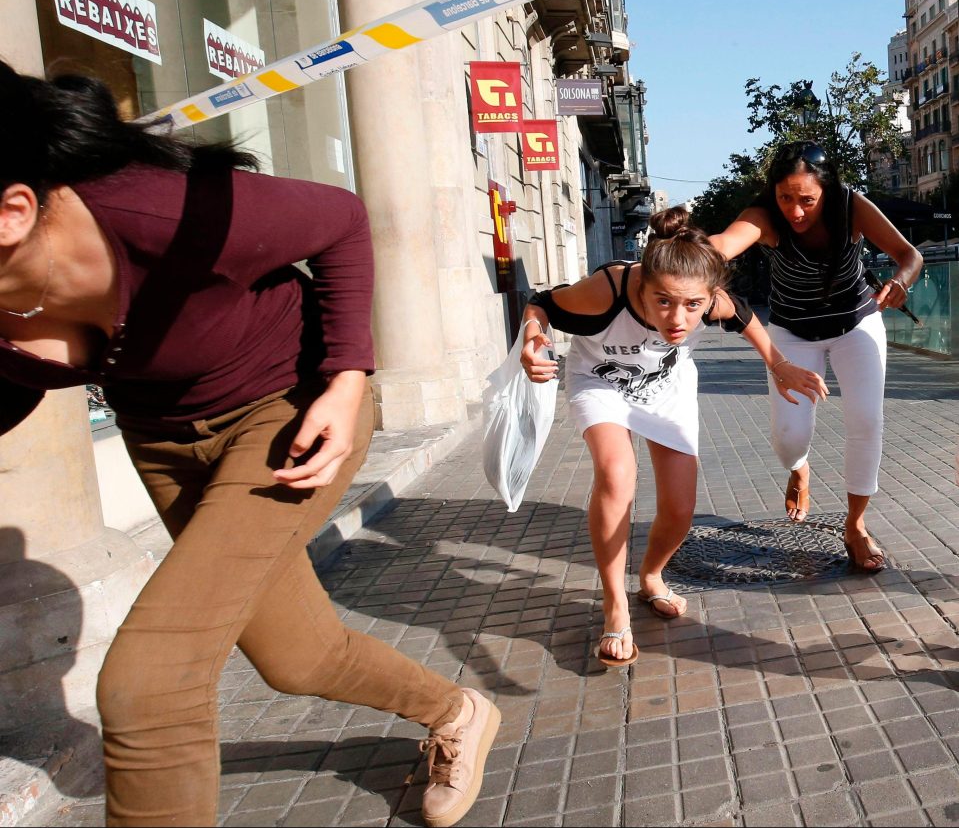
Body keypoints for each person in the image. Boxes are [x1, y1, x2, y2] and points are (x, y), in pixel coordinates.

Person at [0, 60, 498, 828]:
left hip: (288, 412)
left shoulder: (161, 213)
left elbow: (339, 218)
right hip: (162, 441)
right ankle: (457, 710)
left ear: (12, 211)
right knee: (295, 655)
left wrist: (346, 377)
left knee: (147, 683)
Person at [520, 208, 827, 666]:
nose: (678, 319)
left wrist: (778, 365)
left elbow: (746, 318)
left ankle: (651, 577)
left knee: (681, 508)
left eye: (692, 305)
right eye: (663, 301)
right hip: (601, 381)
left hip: (667, 387)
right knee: (616, 474)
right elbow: (541, 302)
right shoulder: (608, 289)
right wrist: (531, 336)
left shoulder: (711, 299)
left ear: (707, 297)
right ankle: (614, 605)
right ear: (643, 284)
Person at [710, 140, 922, 573]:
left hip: (856, 325)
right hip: (792, 333)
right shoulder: (764, 216)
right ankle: (799, 469)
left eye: (806, 199)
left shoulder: (851, 207)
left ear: (827, 190)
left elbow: (909, 256)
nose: (795, 210)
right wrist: (687, 262)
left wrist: (901, 281)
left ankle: (856, 526)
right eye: (785, 198)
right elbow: (724, 244)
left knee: (866, 421)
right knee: (790, 436)